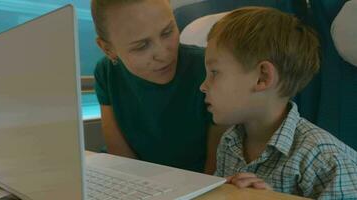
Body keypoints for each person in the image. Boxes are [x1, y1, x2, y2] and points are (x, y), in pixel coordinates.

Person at [200, 7, 357, 199]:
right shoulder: (229, 143)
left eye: (214, 72)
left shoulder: (324, 158)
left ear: (262, 77)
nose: (203, 86)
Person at [90, 0, 225, 174]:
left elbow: (217, 165)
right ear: (108, 49)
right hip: (135, 178)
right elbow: (120, 155)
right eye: (141, 46)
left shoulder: (209, 68)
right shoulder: (106, 72)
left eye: (168, 32)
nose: (163, 54)